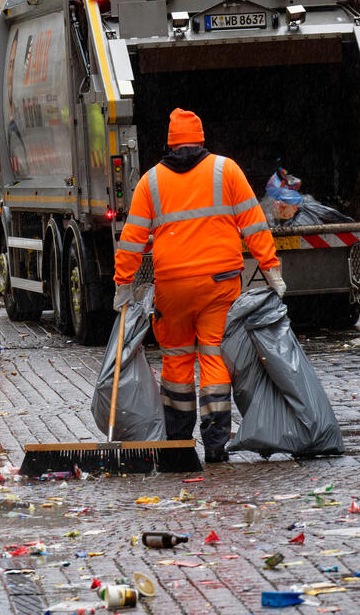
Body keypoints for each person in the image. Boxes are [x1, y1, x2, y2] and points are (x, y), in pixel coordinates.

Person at [113, 108, 283, 463]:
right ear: (201, 139)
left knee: (176, 357)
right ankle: (216, 443)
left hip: (172, 287)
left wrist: (123, 284)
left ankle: (178, 440)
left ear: (170, 143)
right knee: (214, 356)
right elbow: (254, 224)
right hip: (219, 284)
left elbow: (131, 240)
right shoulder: (226, 170)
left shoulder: (151, 181)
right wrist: (271, 269)